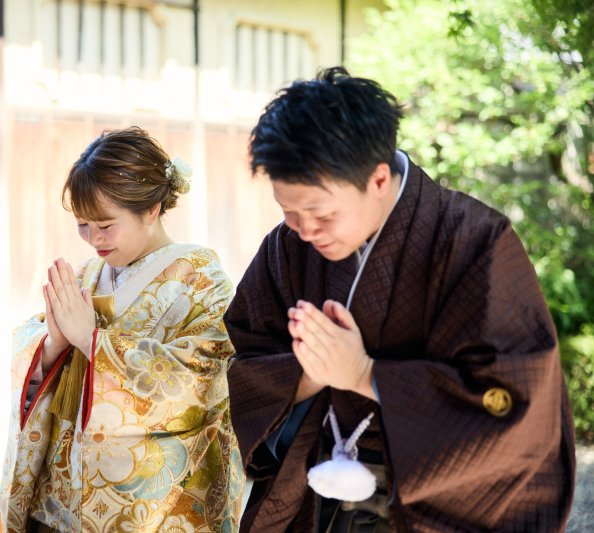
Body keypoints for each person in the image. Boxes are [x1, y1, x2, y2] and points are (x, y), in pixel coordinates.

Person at [225, 67, 576, 533]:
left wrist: (363, 375)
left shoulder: (474, 241)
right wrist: (308, 373)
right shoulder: (286, 247)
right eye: (289, 211)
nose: (306, 230)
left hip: (430, 503)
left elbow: (514, 397)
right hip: (316, 491)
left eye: (321, 213)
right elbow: (248, 352)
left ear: (378, 179)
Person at [0, 127, 244, 533]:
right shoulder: (87, 274)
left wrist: (92, 342)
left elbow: (200, 383)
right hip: (61, 498)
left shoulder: (200, 277)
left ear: (151, 208)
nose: (93, 238)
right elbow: (31, 347)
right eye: (82, 225)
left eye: (105, 225)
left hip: (150, 507)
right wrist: (53, 346)